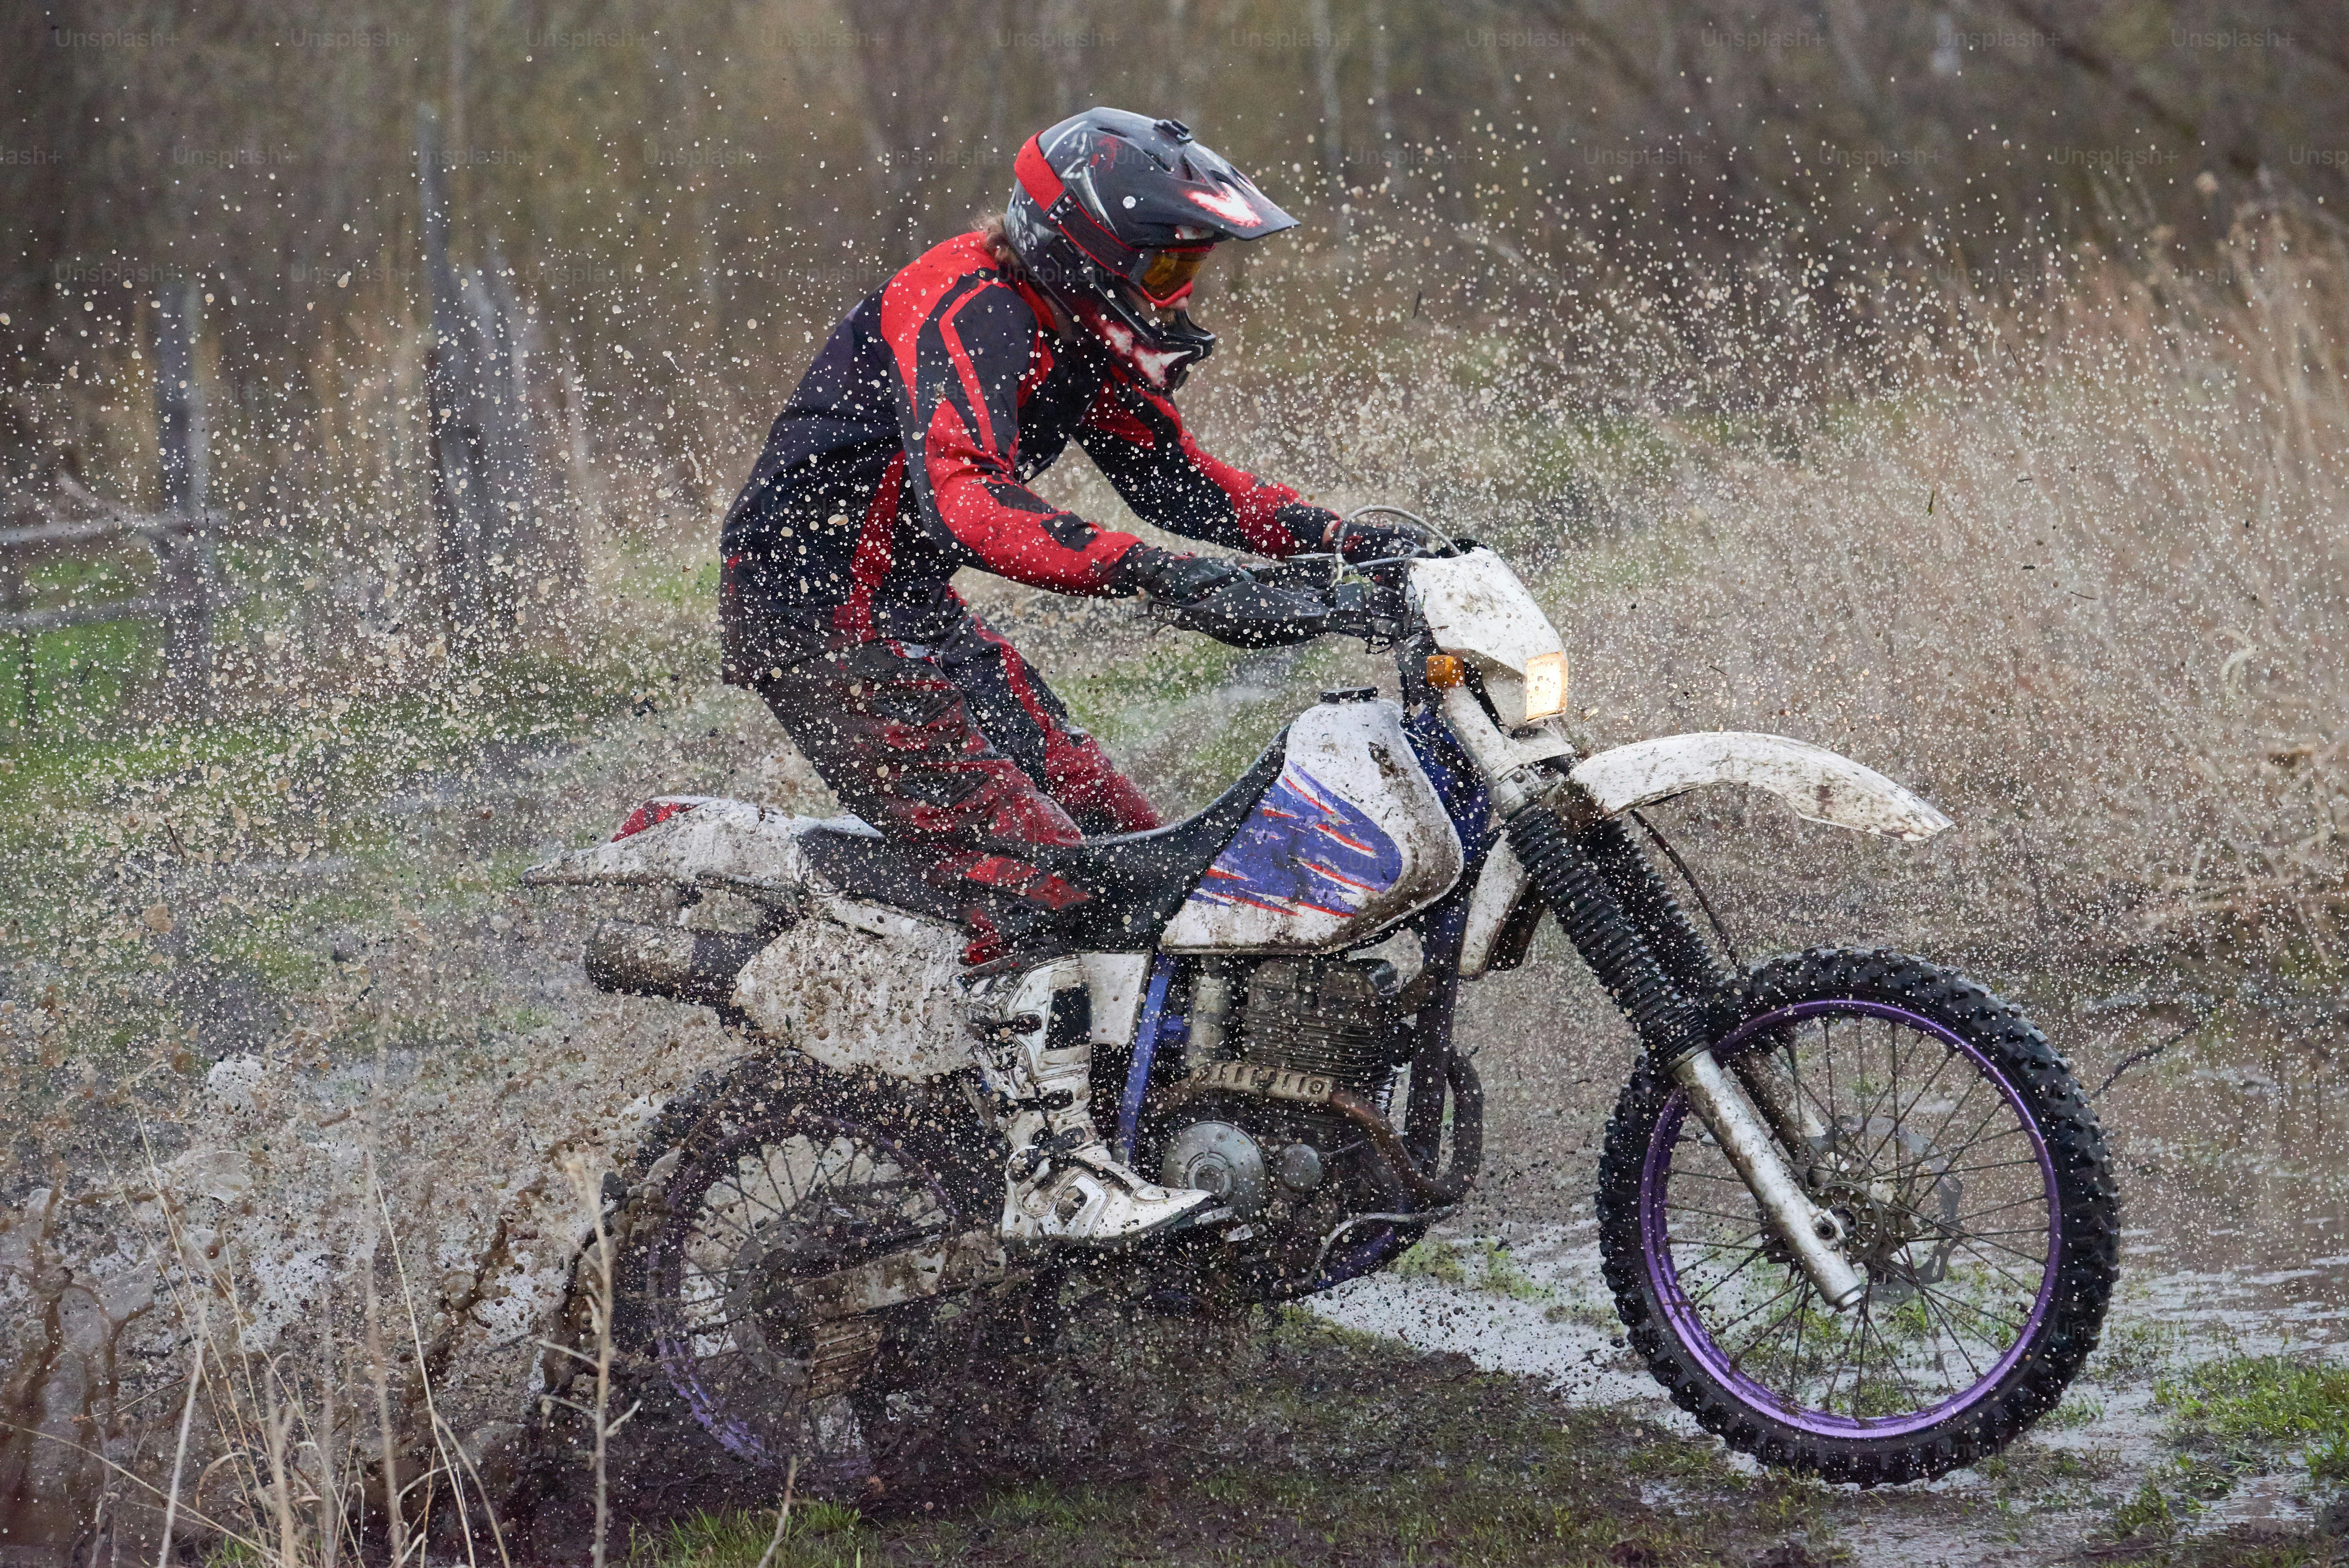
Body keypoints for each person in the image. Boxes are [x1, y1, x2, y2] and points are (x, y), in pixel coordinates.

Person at [718, 108, 1388, 1248]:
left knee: (1135, 853)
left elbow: (1183, 487)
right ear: (1086, 242)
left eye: (1195, 265)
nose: (1181, 290)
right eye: (1170, 260)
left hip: (906, 612)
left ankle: (1164, 1137)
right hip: (819, 622)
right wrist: (1167, 582)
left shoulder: (1076, 323)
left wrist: (1355, 546)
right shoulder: (969, 301)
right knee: (1028, 872)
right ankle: (1049, 1174)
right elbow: (966, 499)